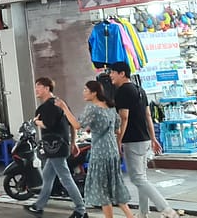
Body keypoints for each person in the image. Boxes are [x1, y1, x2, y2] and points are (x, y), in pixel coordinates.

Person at [109, 62, 180, 218]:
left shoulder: (122, 91)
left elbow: (124, 117)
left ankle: (166, 209)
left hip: (132, 140)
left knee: (137, 178)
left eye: (112, 72)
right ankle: (143, 212)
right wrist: (153, 137)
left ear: (122, 73)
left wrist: (118, 140)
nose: (110, 75)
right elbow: (148, 115)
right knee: (142, 177)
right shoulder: (139, 89)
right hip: (144, 139)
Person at [67, 81, 132, 218]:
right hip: (112, 150)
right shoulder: (110, 107)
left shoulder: (92, 108)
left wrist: (64, 108)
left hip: (100, 152)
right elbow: (117, 129)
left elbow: (77, 125)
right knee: (115, 185)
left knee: (102, 190)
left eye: (86, 90)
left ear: (94, 92)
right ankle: (130, 216)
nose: (83, 92)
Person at [24, 77, 87, 218]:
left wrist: (36, 122)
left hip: (54, 148)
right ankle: (38, 206)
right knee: (47, 176)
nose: (36, 89)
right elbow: (72, 124)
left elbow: (48, 125)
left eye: (38, 86)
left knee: (65, 178)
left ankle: (81, 209)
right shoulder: (60, 103)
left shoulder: (47, 107)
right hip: (60, 146)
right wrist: (73, 142)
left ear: (47, 88)